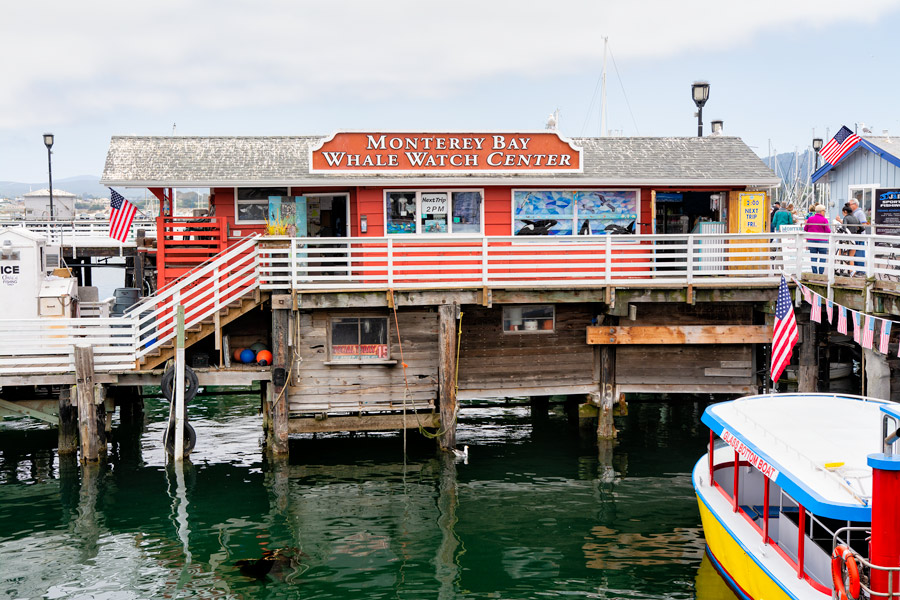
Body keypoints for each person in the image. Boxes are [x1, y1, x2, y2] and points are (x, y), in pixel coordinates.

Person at [803, 204, 831, 275]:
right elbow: (828, 231)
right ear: (821, 211)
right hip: (822, 241)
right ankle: (820, 273)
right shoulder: (824, 220)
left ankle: (814, 273)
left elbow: (805, 228)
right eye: (824, 211)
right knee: (822, 257)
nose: (824, 212)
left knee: (813, 257)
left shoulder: (810, 219)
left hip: (811, 241)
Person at [838, 203, 860, 273]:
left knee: (841, 255)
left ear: (845, 211)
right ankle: (852, 271)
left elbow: (844, 228)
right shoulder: (856, 218)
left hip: (847, 240)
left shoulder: (846, 218)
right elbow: (862, 228)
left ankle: (847, 270)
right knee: (851, 257)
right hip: (854, 239)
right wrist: (856, 232)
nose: (843, 214)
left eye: (843, 213)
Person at [848, 197, 868, 270]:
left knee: (859, 253)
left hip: (859, 237)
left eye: (849, 204)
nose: (848, 206)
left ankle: (861, 271)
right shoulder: (853, 213)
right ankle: (856, 270)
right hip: (854, 236)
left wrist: (856, 229)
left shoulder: (860, 213)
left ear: (855, 204)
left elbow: (864, 224)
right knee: (855, 254)